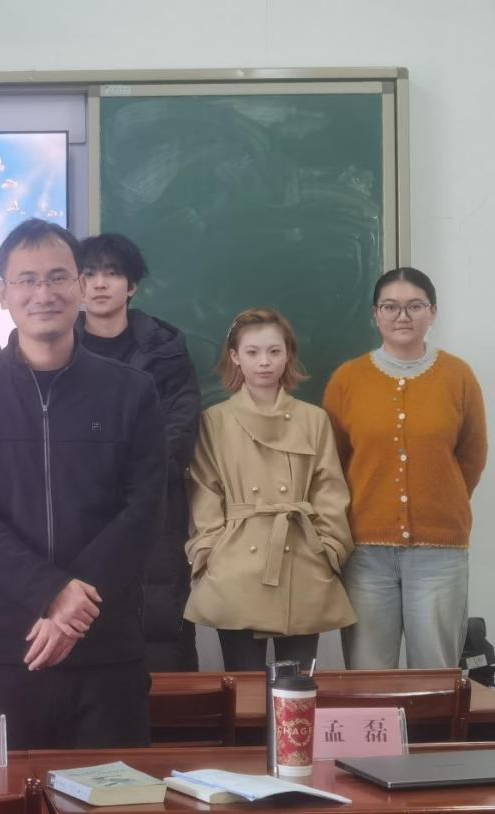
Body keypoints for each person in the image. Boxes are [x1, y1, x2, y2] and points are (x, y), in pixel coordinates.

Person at [0, 219, 167, 749]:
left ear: (80, 287)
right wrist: (50, 592)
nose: (44, 293)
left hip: (105, 649)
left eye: (58, 277)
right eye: (27, 280)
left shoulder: (131, 391)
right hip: (0, 650)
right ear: (2, 293)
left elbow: (145, 508)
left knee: (113, 790)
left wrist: (71, 610)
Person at [324, 268, 487, 669]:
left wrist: (439, 498)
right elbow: (333, 461)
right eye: (390, 307)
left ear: (432, 312)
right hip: (365, 551)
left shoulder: (458, 376)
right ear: (375, 314)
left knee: (435, 673)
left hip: (439, 552)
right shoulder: (347, 379)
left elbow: (472, 454)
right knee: (368, 673)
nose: (402, 316)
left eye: (415, 306)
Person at [183, 308, 355, 671]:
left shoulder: (313, 419)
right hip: (235, 564)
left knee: (298, 689)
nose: (264, 362)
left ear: (288, 354)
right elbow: (204, 490)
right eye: (252, 352)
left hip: (303, 559)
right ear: (235, 356)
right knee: (242, 686)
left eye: (274, 351)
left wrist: (329, 547)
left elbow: (329, 488)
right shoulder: (215, 420)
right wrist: (208, 550)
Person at [76, 233, 201, 671]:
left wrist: (129, 480)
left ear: (131, 285)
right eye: (89, 274)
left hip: (154, 512)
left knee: (160, 631)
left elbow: (180, 429)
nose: (100, 284)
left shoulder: (166, 350)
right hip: (79, 512)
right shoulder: (56, 347)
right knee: (85, 630)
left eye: (112, 274)